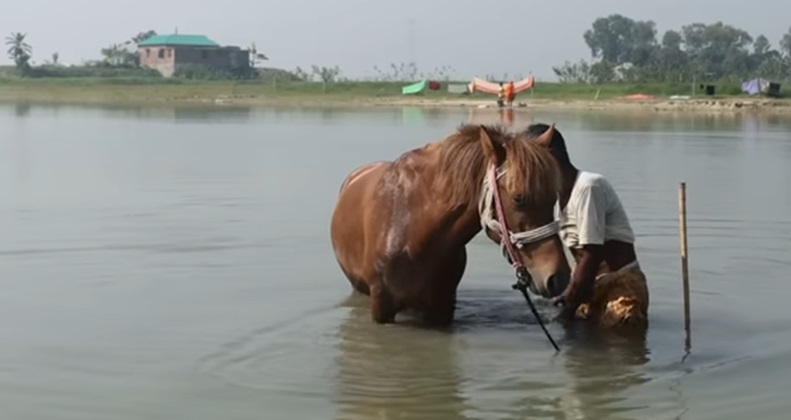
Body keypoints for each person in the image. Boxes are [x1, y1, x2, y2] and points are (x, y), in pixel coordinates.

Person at [524, 123, 649, 329]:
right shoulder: (560, 196)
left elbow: (592, 255)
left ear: (549, 157)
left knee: (618, 340)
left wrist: (568, 309)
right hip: (590, 287)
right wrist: (568, 296)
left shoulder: (587, 186)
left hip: (618, 287)